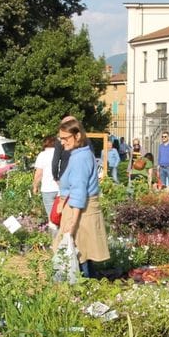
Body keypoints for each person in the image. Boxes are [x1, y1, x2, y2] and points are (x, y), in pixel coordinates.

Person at [54, 116, 109, 278]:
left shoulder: (79, 158)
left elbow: (78, 191)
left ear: (77, 136)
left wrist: (73, 222)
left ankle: (83, 292)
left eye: (65, 138)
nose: (62, 142)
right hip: (82, 209)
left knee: (79, 255)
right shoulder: (83, 154)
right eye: (60, 138)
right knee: (83, 255)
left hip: (79, 212)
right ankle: (91, 288)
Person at [31, 136, 60, 229]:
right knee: (62, 215)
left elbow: (39, 173)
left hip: (48, 189)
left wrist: (35, 186)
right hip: (61, 188)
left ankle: (55, 241)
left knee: (52, 218)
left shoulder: (42, 155)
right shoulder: (61, 154)